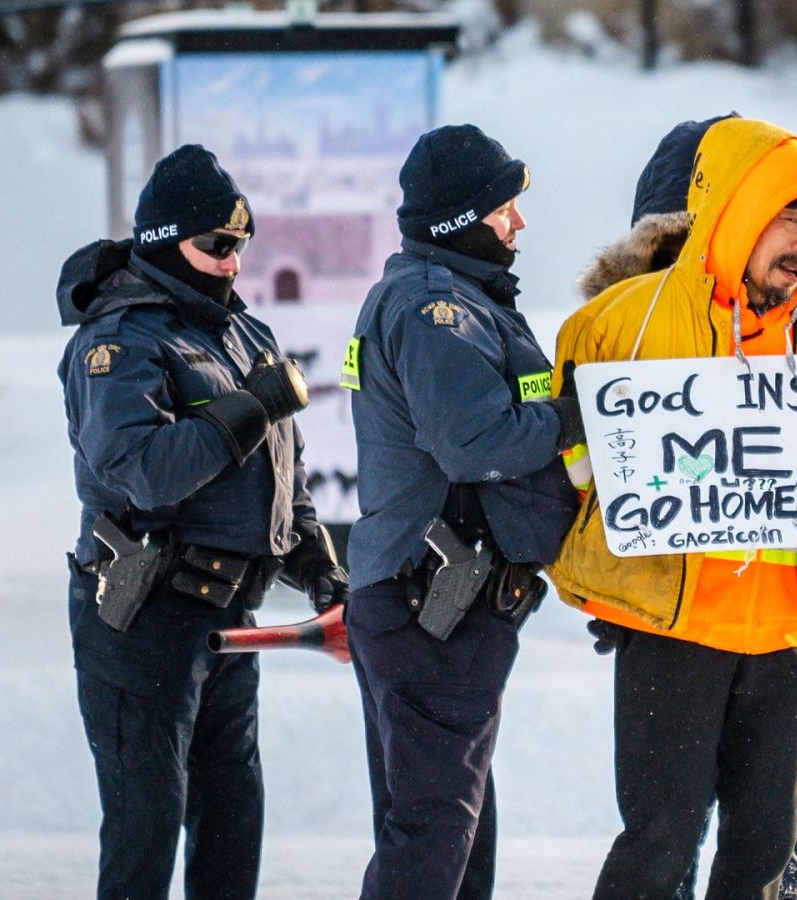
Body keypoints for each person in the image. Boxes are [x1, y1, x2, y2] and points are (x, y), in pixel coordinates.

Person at [549, 116, 797, 899]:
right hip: (671, 631)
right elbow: (561, 470)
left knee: (763, 863)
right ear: (738, 211)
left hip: (787, 638)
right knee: (658, 850)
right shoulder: (619, 321)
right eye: (788, 220)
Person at [57, 144, 347, 900]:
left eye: (241, 247)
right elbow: (142, 472)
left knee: (230, 822)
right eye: (215, 246)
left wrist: (316, 562)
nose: (231, 264)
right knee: (146, 827)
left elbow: (285, 475)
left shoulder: (242, 333)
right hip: (143, 616)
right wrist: (247, 410)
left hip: (228, 617)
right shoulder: (118, 341)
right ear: (163, 242)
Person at [341, 124, 580, 900]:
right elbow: (475, 441)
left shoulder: (458, 301)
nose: (518, 223)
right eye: (505, 207)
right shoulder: (434, 308)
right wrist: (577, 416)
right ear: (459, 220)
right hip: (430, 608)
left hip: (437, 608)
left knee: (452, 833)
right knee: (434, 838)